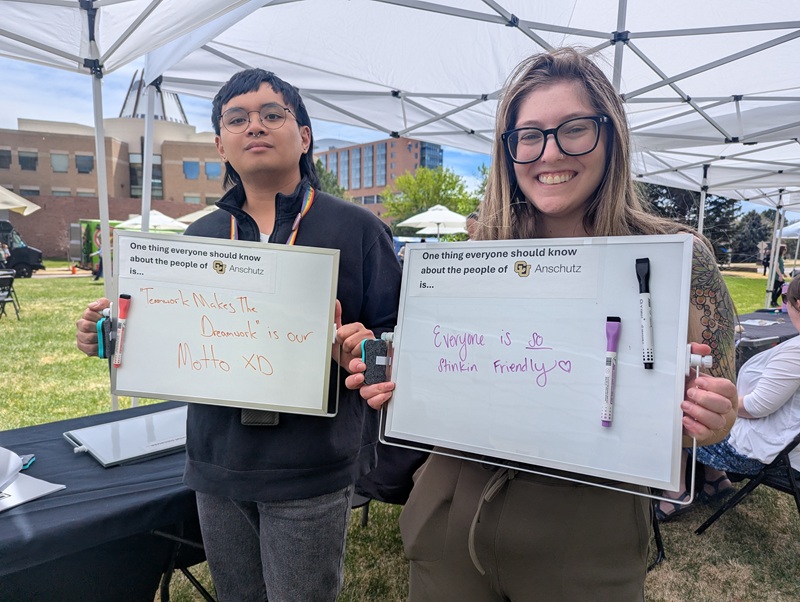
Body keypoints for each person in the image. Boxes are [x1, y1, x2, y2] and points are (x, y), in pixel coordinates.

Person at [346, 48, 738, 601]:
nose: (549, 152)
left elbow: (719, 401)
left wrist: (714, 418)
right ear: (508, 150)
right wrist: (393, 378)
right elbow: (440, 373)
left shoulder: (677, 258)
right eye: (528, 135)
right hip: (454, 510)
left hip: (589, 529)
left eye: (574, 129)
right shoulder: (472, 255)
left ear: (611, 136)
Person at [76, 68, 401, 602]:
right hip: (217, 462)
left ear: (304, 136)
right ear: (220, 145)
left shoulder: (358, 229)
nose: (255, 126)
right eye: (237, 119)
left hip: (311, 466)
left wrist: (362, 351)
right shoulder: (198, 237)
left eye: (273, 114)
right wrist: (111, 337)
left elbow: (394, 340)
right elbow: (166, 335)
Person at [658, 274, 800, 520]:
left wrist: (726, 405)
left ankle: (675, 494)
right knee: (704, 409)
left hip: (760, 452)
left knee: (681, 415)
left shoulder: (795, 354)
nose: (784, 304)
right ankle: (715, 480)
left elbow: (756, 407)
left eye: (785, 298)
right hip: (779, 444)